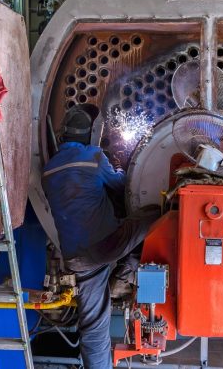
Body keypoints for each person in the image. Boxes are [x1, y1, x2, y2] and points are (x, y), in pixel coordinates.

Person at [42, 104, 160, 369]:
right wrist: (119, 168)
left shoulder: (48, 171)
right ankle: (126, 271)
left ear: (63, 136)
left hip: (77, 260)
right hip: (108, 245)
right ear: (89, 136)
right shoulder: (94, 157)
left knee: (93, 326)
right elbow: (121, 187)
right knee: (155, 215)